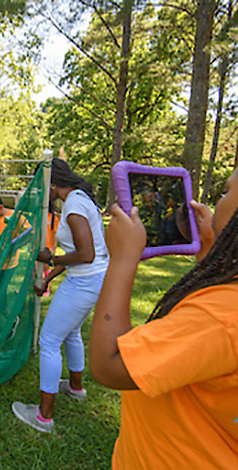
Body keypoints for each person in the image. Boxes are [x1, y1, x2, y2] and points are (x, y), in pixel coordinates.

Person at [88, 168, 238, 469]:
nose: (216, 202)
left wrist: (123, 258)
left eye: (225, 192)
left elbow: (109, 364)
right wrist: (210, 247)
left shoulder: (222, 318)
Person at [11, 158, 109, 433]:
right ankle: (76, 388)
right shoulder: (78, 199)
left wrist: (50, 257)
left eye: (42, 186)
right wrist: (48, 276)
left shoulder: (75, 205)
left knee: (50, 340)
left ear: (52, 183)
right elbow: (78, 256)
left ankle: (44, 417)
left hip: (85, 281)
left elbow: (85, 255)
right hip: (90, 278)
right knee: (72, 332)